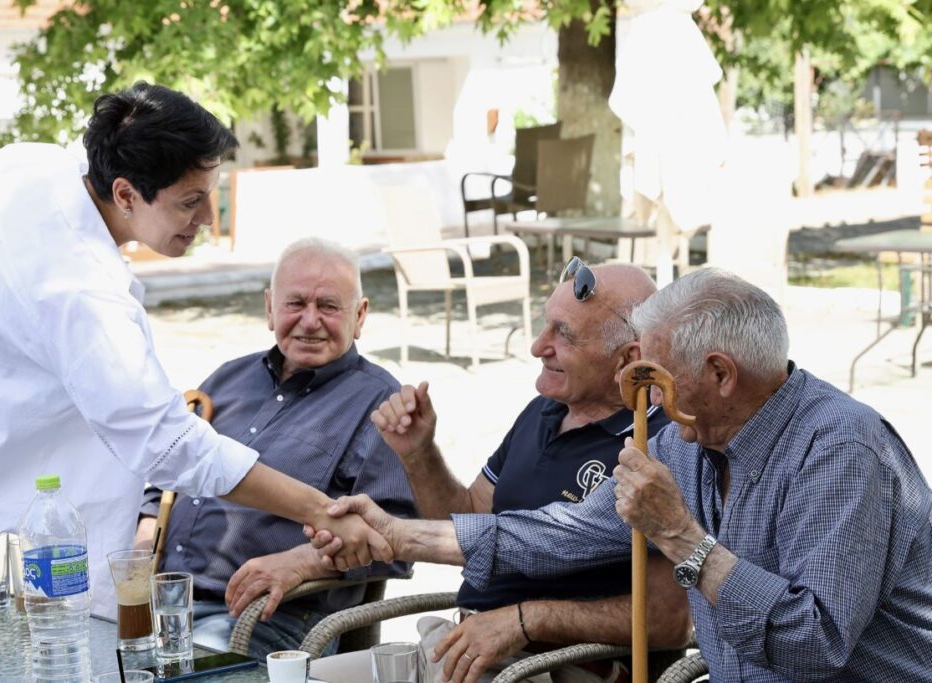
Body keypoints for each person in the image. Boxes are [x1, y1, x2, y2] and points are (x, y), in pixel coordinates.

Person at [0, 82, 386, 618]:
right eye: (189, 202)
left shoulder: (31, 165)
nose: (208, 216)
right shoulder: (78, 291)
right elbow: (170, 445)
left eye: (210, 191)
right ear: (126, 194)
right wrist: (320, 510)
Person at [313, 268, 932, 681]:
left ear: (719, 375)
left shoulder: (840, 450)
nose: (645, 395)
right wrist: (397, 535)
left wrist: (683, 539)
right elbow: (557, 532)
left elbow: (811, 643)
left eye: (655, 375)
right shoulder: (686, 442)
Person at [312, 263, 691, 683]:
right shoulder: (545, 411)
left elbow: (667, 621)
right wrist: (419, 453)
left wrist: (526, 620)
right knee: (297, 677)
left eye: (563, 334)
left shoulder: (657, 445)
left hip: (553, 666)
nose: (537, 346)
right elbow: (469, 517)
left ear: (629, 360)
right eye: (545, 324)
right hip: (465, 647)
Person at [135, 237, 417, 661]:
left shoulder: (379, 404)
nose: (309, 321)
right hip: (162, 605)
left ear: (359, 316)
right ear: (270, 308)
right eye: (295, 304)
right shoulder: (228, 378)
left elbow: (399, 537)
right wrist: (144, 540)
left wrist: (302, 563)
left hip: (265, 617)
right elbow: (169, 466)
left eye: (328, 306)